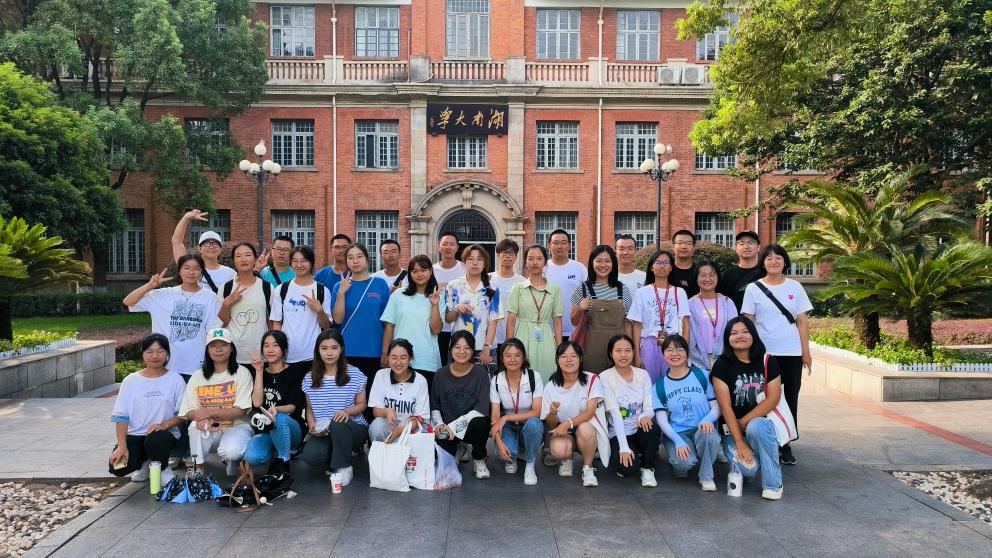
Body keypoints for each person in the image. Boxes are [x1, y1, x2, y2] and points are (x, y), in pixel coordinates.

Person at [741, 244, 812, 466]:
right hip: (764, 354)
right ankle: (764, 441)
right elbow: (748, 322)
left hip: (791, 352)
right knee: (763, 398)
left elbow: (802, 322)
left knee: (790, 398)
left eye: (778, 258)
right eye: (769, 258)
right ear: (763, 262)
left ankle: (786, 443)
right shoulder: (753, 288)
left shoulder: (795, 287)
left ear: (785, 261)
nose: (774, 261)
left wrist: (806, 353)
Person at [710, 317, 785, 500]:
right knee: (748, 471)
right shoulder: (721, 365)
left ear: (753, 334)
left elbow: (773, 399)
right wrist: (739, 441)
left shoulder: (768, 361)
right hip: (731, 431)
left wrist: (743, 421)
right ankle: (760, 457)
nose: (740, 336)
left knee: (757, 426)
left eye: (745, 331)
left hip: (760, 427)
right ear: (727, 339)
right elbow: (725, 406)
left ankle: (773, 485)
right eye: (734, 333)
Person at [124, 254, 221, 378]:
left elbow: (213, 330)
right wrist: (149, 286)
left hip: (195, 365)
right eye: (187, 268)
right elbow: (128, 302)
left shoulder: (210, 297)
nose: (191, 272)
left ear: (202, 272)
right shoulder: (162, 295)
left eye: (196, 269)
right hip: (165, 365)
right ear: (179, 271)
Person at [108, 334, 186, 485]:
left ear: (167, 353)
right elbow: (121, 416)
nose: (155, 356)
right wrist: (122, 446)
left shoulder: (175, 379)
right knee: (117, 467)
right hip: (136, 435)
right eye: (149, 351)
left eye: (160, 351)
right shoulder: (130, 381)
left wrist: (164, 425)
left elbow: (184, 414)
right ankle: (145, 463)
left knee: (155, 440)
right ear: (142, 353)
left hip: (164, 435)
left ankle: (162, 468)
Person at [179, 328, 254, 476]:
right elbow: (187, 411)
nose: (218, 349)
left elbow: (240, 410)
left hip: (236, 426)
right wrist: (202, 418)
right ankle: (198, 470)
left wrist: (210, 412)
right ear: (208, 350)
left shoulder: (242, 373)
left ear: (231, 348)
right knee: (194, 426)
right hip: (211, 428)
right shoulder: (198, 376)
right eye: (213, 346)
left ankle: (233, 461)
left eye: (223, 345)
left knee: (231, 452)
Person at [653, 334, 721, 491]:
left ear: (687, 352)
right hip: (678, 433)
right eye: (669, 350)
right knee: (683, 464)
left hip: (702, 428)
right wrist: (677, 440)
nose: (674, 353)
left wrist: (708, 419)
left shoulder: (702, 375)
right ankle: (681, 462)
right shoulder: (659, 385)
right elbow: (662, 420)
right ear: (663, 355)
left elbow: (717, 406)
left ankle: (706, 476)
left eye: (679, 349)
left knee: (709, 435)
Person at [300, 329, 368, 486]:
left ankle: (344, 467)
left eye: (334, 348)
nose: (329, 353)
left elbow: (362, 404)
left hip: (353, 428)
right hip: (324, 430)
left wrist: (346, 412)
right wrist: (313, 428)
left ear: (341, 349)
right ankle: (334, 456)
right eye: (324, 348)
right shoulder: (309, 377)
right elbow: (309, 409)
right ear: (318, 350)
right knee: (311, 456)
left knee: (337, 421)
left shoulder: (354, 373)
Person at [243, 330, 307, 477]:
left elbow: (292, 407)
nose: (270, 350)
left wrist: (275, 409)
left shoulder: (295, 371)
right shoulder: (258, 371)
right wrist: (259, 371)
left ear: (284, 349)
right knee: (252, 457)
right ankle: (277, 451)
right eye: (266, 346)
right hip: (267, 429)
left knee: (279, 418)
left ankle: (283, 461)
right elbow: (257, 403)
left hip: (292, 429)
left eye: (275, 345)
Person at [599, 334, 660, 487]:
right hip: (618, 432)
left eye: (627, 350)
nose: (623, 355)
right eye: (618, 351)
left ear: (633, 352)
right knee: (627, 469)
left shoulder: (643, 374)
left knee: (652, 427)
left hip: (639, 428)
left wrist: (644, 416)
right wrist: (624, 448)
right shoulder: (605, 377)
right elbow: (615, 413)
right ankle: (629, 454)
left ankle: (647, 468)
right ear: (611, 353)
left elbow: (649, 406)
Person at [541, 341, 604, 487]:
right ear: (557, 360)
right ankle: (567, 459)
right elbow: (550, 424)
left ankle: (587, 468)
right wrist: (552, 413)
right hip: (564, 431)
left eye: (573, 356)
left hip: (586, 428)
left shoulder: (591, 379)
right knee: (558, 449)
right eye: (563, 356)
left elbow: (590, 412)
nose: (568, 360)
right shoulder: (551, 386)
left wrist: (568, 423)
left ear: (580, 359)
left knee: (586, 429)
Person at [431, 331, 492, 480]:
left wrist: (454, 426)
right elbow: (435, 405)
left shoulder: (481, 373)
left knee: (481, 424)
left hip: (471, 426)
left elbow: (482, 408)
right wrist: (439, 425)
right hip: (447, 428)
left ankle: (479, 459)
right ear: (450, 349)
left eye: (467, 348)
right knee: (444, 465)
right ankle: (458, 448)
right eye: (457, 347)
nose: (462, 351)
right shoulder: (440, 374)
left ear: (472, 351)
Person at [626, 250, 691, 383]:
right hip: (648, 345)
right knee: (648, 384)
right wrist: (636, 355)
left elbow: (686, 324)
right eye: (658, 262)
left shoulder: (679, 292)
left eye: (666, 262)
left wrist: (684, 351)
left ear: (671, 267)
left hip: (673, 344)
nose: (662, 266)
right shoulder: (642, 292)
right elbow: (636, 326)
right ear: (651, 267)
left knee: (672, 382)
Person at [380, 255, 444, 388]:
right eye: (414, 271)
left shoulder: (438, 297)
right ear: (409, 274)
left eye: (423, 270)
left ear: (431, 271)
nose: (419, 274)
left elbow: (436, 330)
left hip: (427, 360)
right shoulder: (398, 295)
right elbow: (389, 326)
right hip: (400, 359)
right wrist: (385, 353)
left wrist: (435, 305)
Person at [331, 243, 392, 380]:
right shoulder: (339, 286)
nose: (355, 261)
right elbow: (338, 319)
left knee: (372, 391)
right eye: (350, 257)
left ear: (367, 259)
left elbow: (388, 322)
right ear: (346, 261)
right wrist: (341, 293)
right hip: (348, 350)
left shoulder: (380, 284)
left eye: (359, 256)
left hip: (375, 350)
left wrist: (385, 351)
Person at [569, 245, 632, 374]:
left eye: (607, 261)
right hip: (591, 350)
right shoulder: (582, 288)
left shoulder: (623, 289)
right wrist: (581, 309)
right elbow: (574, 322)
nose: (603, 265)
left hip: (619, 351)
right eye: (599, 261)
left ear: (613, 264)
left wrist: (631, 349)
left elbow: (628, 323)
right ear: (592, 263)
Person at [489, 339, 544, 486]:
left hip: (528, 423)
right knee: (504, 451)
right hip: (508, 426)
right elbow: (495, 417)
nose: (512, 359)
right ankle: (513, 456)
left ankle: (530, 464)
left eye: (517, 355)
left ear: (524, 357)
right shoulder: (496, 380)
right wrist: (498, 442)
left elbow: (536, 411)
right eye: (508, 355)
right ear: (502, 358)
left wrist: (507, 417)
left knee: (534, 424)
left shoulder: (534, 377)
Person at [505, 244, 563, 377]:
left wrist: (560, 349)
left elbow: (557, 322)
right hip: (523, 336)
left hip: (546, 337)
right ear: (526, 262)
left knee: (548, 373)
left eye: (539, 258)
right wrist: (509, 347)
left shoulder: (555, 289)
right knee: (523, 375)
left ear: (545, 262)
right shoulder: (518, 288)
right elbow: (511, 321)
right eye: (530, 258)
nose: (535, 262)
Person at [269, 246, 331, 369]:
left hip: (313, 356)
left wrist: (319, 310)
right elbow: (277, 323)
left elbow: (326, 325)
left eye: (304, 261)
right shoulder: (282, 289)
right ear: (290, 263)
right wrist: (278, 350)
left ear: (311, 263)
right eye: (295, 261)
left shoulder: (322, 290)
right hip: (287, 355)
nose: (299, 265)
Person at [442, 244, 504, 366]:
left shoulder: (492, 288)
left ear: (484, 263)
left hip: (484, 347)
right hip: (458, 348)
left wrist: (487, 347)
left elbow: (493, 321)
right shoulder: (453, 286)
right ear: (464, 262)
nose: (475, 263)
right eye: (470, 259)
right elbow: (448, 319)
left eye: (479, 259)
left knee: (484, 378)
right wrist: (457, 309)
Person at [218, 242, 272, 365]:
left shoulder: (267, 288)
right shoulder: (225, 288)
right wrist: (227, 304)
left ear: (255, 259)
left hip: (260, 354)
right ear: (233, 261)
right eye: (238, 256)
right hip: (233, 354)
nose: (243, 259)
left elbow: (271, 320)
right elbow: (222, 323)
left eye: (248, 255)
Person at [368, 339, 431, 442]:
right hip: (388, 429)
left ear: (410, 358)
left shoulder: (420, 381)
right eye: (394, 357)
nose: (398, 362)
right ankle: (380, 452)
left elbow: (420, 418)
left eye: (403, 358)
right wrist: (387, 411)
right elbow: (376, 411)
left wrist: (399, 431)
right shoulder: (381, 375)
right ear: (388, 357)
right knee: (376, 425)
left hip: (410, 431)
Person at [688, 261, 738, 372]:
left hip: (725, 358)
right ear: (696, 278)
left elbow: (734, 330)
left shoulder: (727, 302)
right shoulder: (689, 304)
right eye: (703, 275)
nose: (707, 279)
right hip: (698, 360)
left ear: (718, 278)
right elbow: (689, 335)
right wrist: (696, 359)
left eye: (711, 275)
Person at [170, 209, 235, 292]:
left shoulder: (230, 273)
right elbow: (177, 242)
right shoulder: (191, 268)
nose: (211, 247)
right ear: (199, 248)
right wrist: (186, 218)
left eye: (215, 244)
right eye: (207, 243)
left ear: (220, 249)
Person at [544, 229, 587, 342]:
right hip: (548, 330)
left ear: (569, 246)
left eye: (563, 243)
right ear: (549, 246)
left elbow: (588, 295)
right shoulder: (543, 269)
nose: (559, 246)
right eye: (555, 243)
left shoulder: (579, 268)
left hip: (574, 329)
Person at [433, 231, 466, 365]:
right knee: (438, 364)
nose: (448, 247)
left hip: (459, 326)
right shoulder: (431, 270)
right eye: (445, 244)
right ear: (438, 246)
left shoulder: (465, 269)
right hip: (436, 328)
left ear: (457, 247)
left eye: (452, 244)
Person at [489, 239, 525, 355]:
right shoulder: (488, 279)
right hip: (491, 338)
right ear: (498, 255)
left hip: (515, 337)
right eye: (504, 252)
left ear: (516, 257)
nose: (508, 256)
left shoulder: (522, 282)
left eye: (511, 253)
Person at [718, 230, 765, 311]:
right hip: (735, 318)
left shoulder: (766, 274)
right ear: (736, 248)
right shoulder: (727, 275)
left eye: (751, 243)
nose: (746, 247)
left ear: (758, 247)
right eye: (741, 243)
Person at [669, 230, 699, 299]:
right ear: (673, 247)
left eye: (688, 243)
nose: (684, 246)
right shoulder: (665, 270)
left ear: (693, 248)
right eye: (680, 243)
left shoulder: (699, 271)